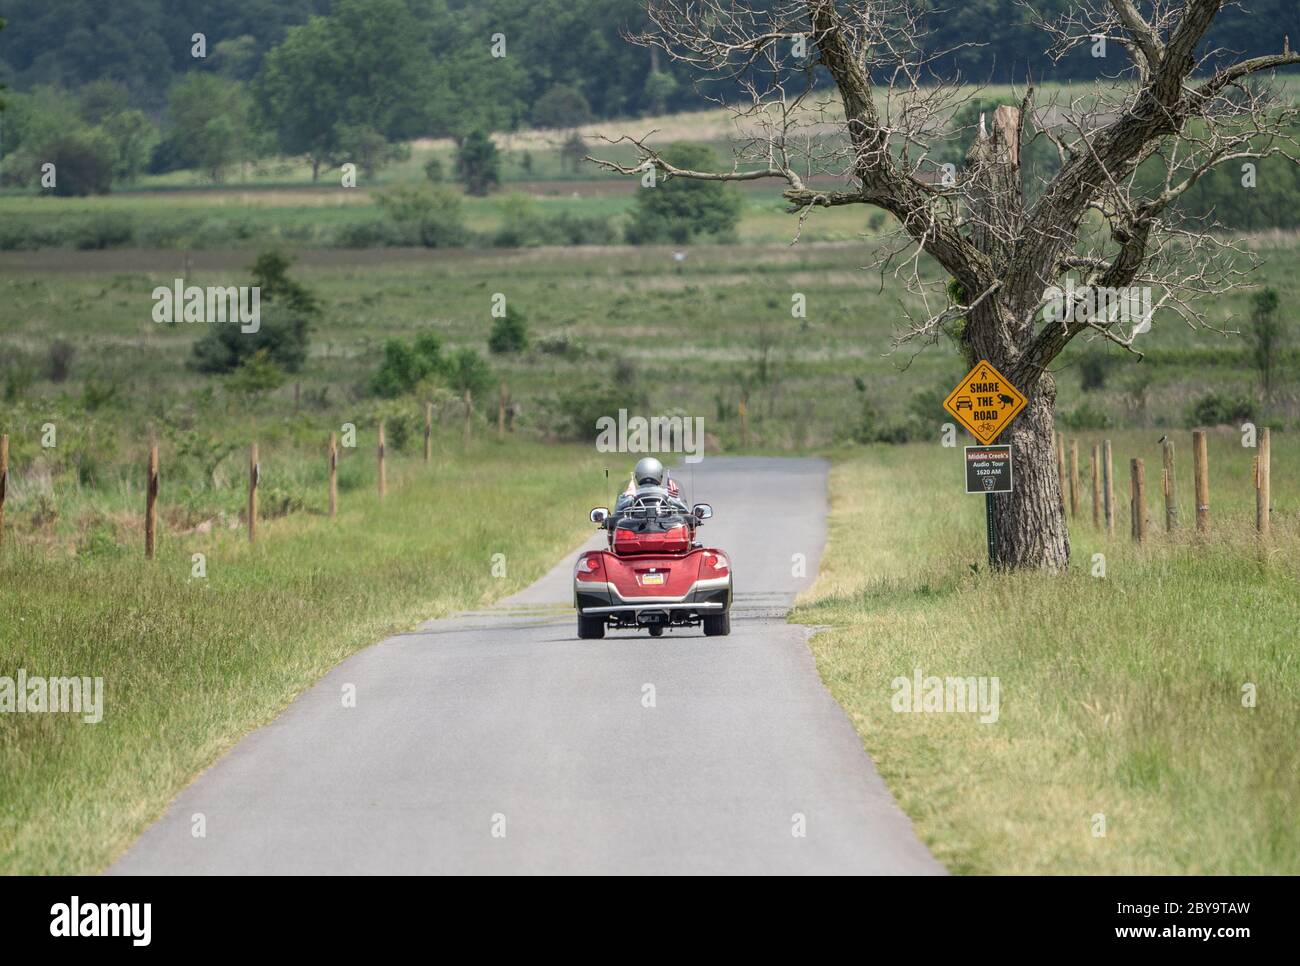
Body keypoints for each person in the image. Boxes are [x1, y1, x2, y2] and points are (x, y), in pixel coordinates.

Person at [615, 457, 684, 511]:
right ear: (660, 476)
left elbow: (616, 514)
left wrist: (629, 497)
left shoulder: (629, 495)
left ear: (637, 476)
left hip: (636, 527)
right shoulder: (668, 494)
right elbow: (684, 511)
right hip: (665, 527)